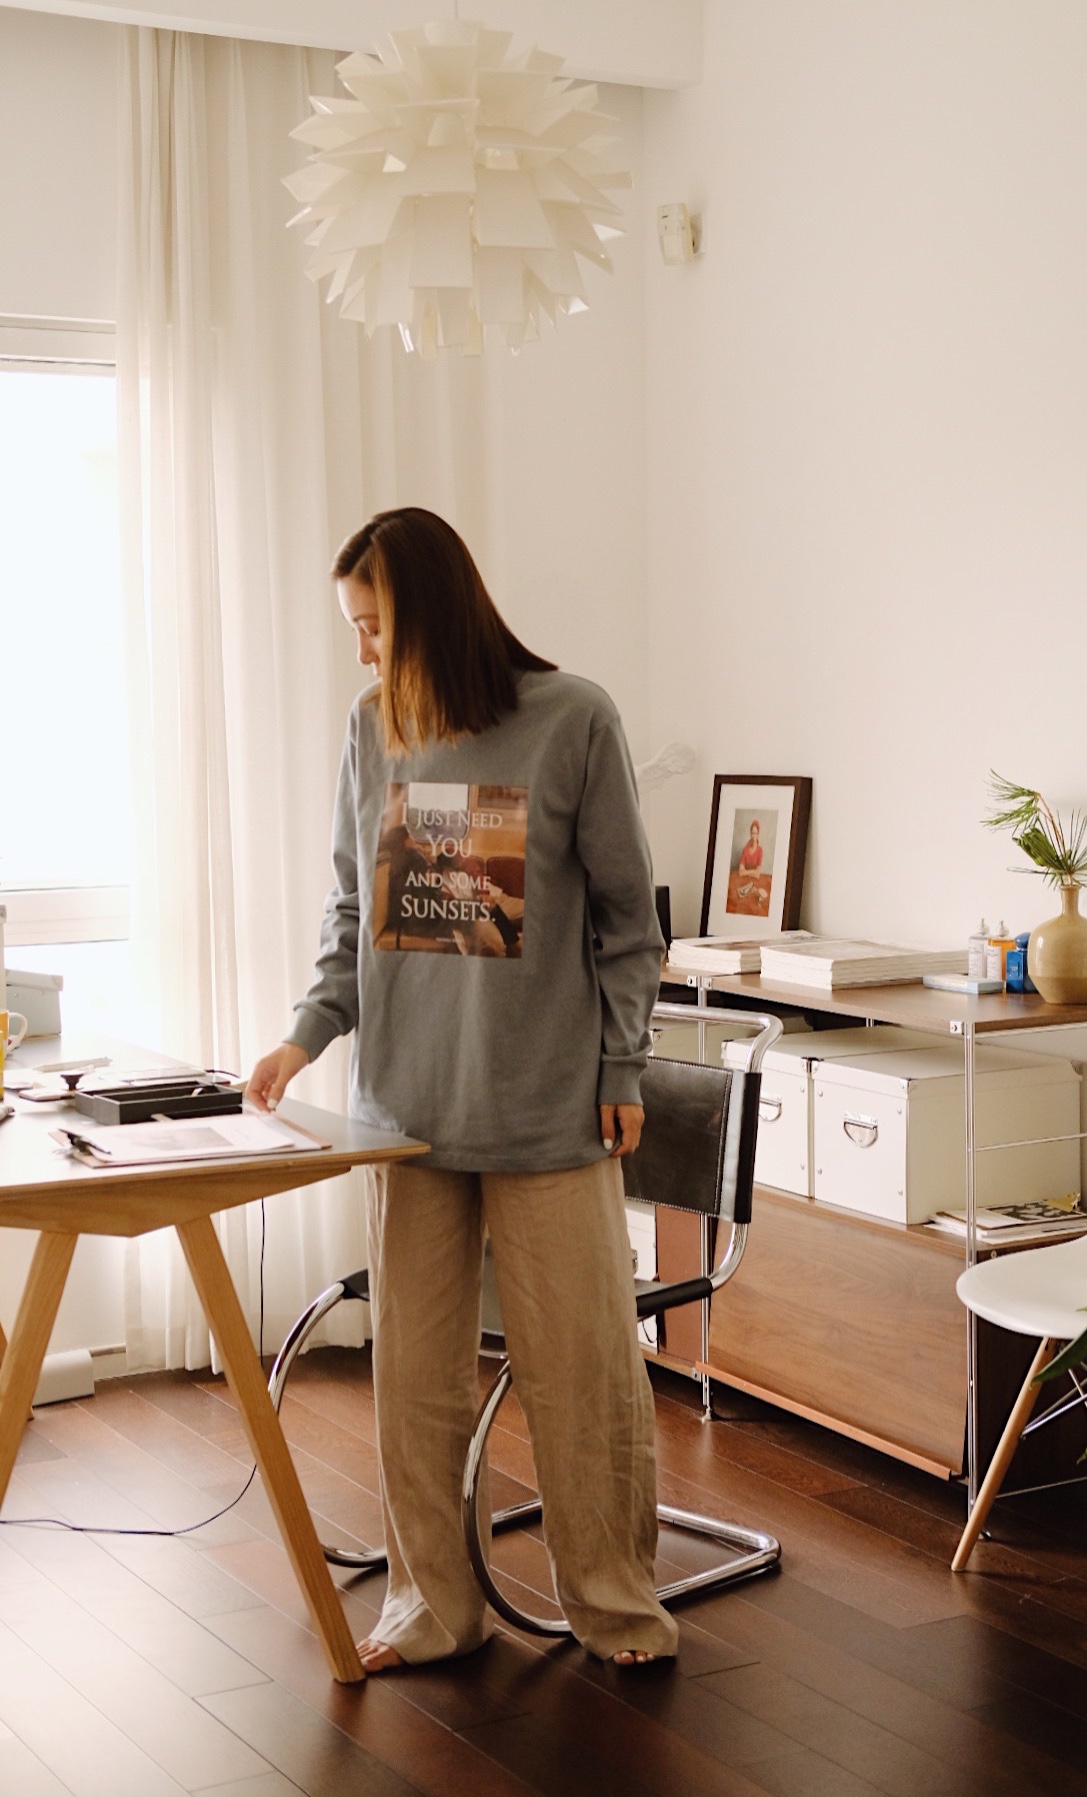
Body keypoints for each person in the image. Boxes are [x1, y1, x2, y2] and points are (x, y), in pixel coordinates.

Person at [247, 507, 677, 1673]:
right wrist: (301, 1038)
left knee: (580, 1375)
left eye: (375, 626)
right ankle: (431, 1608)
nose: (361, 649)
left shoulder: (571, 718)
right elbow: (355, 907)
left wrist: (621, 1064)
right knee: (416, 1381)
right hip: (405, 1111)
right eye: (353, 627)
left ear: (434, 614)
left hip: (546, 1106)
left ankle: (616, 1606)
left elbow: (626, 921)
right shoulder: (371, 725)